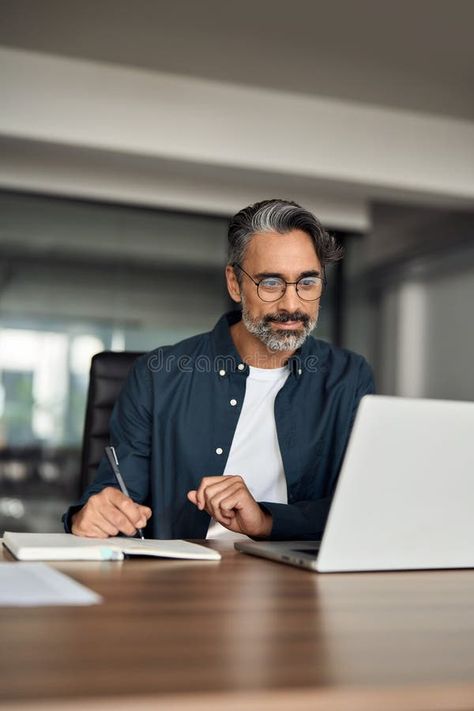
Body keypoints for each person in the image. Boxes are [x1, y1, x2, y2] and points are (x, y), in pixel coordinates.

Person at [64, 199, 374, 541]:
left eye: (307, 282)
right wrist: (92, 514)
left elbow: (361, 506)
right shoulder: (157, 375)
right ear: (234, 283)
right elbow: (116, 493)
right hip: (181, 582)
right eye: (271, 283)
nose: (291, 304)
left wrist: (266, 520)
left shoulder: (349, 378)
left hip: (301, 584)